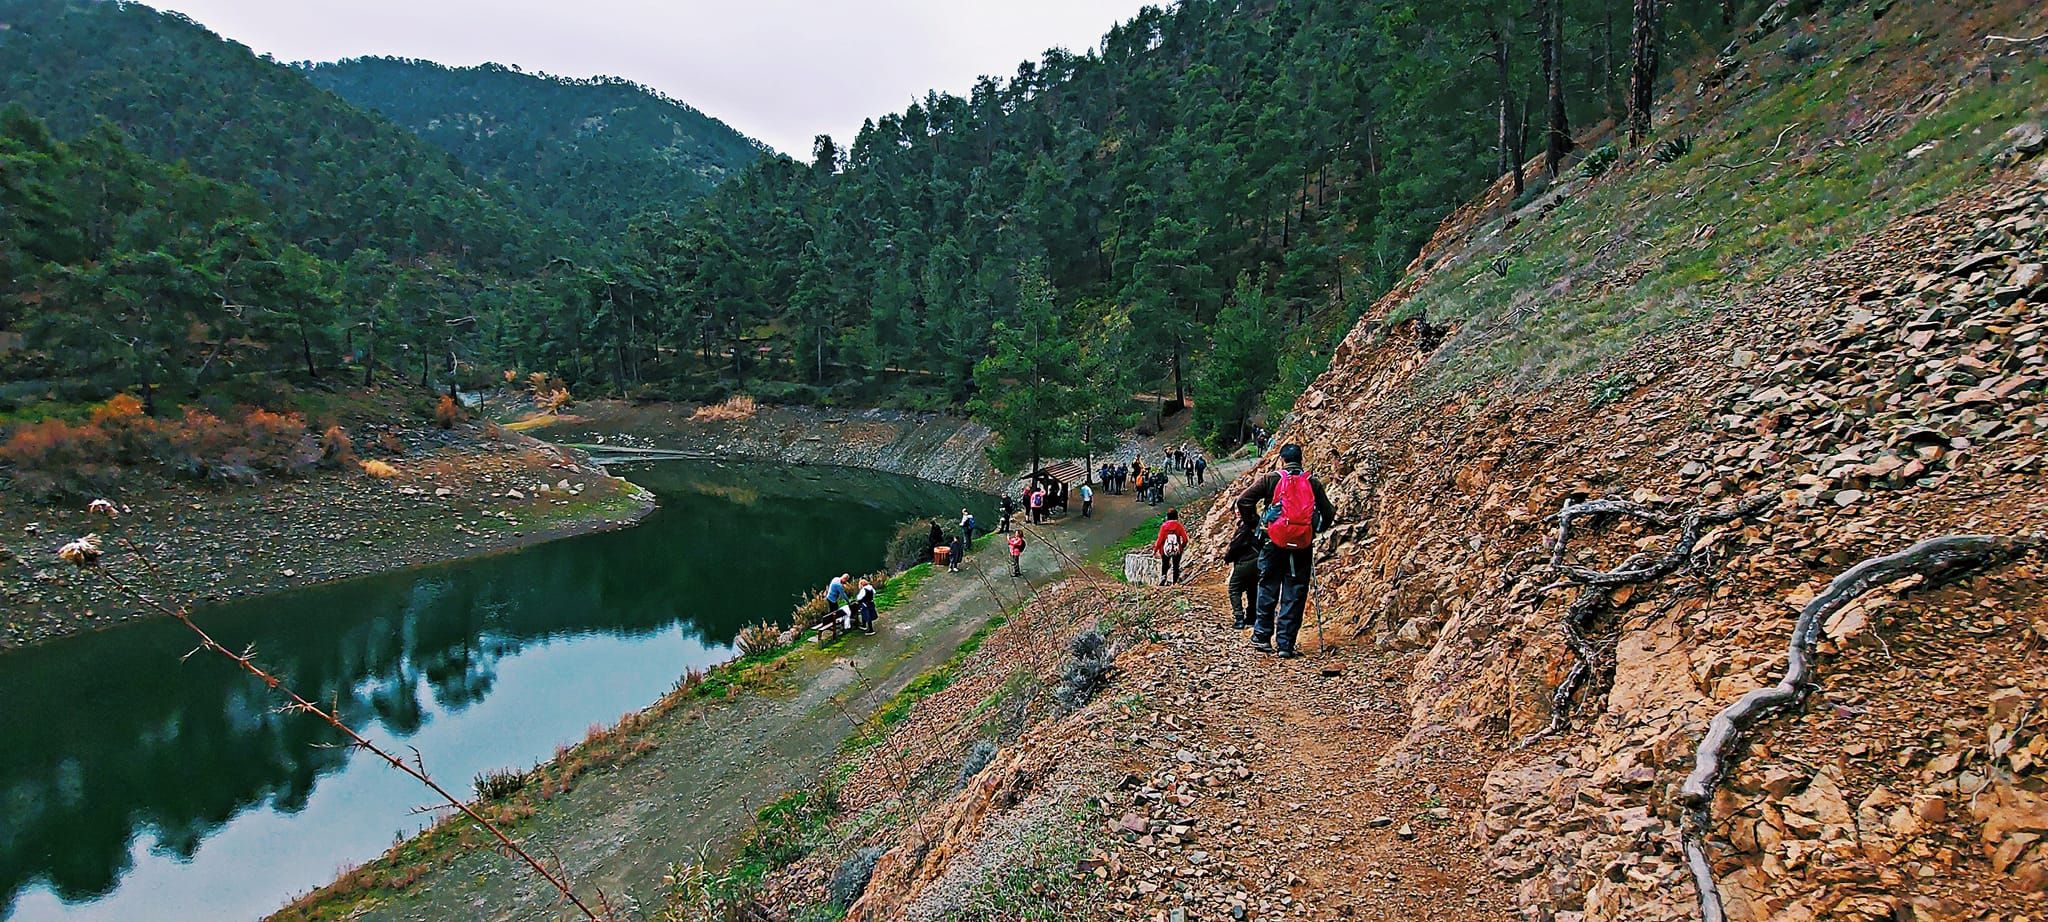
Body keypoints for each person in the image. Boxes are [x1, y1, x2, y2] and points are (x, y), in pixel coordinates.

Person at [1234, 444, 1337, 658]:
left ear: (1281, 460)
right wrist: (1314, 530)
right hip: (1301, 546)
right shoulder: (1312, 483)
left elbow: (1243, 500)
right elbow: (1328, 512)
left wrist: (1256, 525)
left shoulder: (1271, 479)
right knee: (1295, 592)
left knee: (1268, 587)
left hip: (1273, 543)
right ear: (1301, 460)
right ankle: (1285, 645)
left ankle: (1262, 637)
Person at [1222, 514, 1262, 629]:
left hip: (1245, 561)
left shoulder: (1245, 525)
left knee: (1234, 588)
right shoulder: (1258, 521)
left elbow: (1236, 545)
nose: (1237, 513)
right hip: (1258, 559)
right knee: (1252, 588)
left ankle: (1239, 618)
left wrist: (1228, 557)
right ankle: (1251, 616)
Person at [1153, 508, 1190, 586]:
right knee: (1176, 566)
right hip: (1177, 549)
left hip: (1165, 549)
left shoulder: (1164, 526)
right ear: (1176, 516)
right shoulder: (1179, 526)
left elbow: (1160, 539)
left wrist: (1155, 549)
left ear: (1167, 516)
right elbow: (1185, 539)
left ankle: (1163, 577)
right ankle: (1175, 582)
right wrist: (1182, 547)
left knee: (1165, 564)